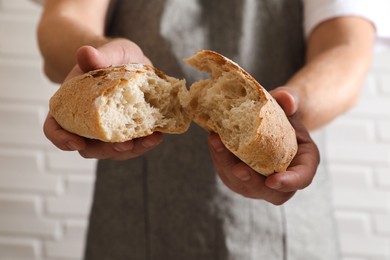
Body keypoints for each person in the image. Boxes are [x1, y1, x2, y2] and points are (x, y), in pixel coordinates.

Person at [36, 0, 389, 259]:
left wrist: (290, 105)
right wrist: (99, 58)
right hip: (131, 215)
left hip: (282, 222)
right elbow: (63, 18)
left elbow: (346, 48)